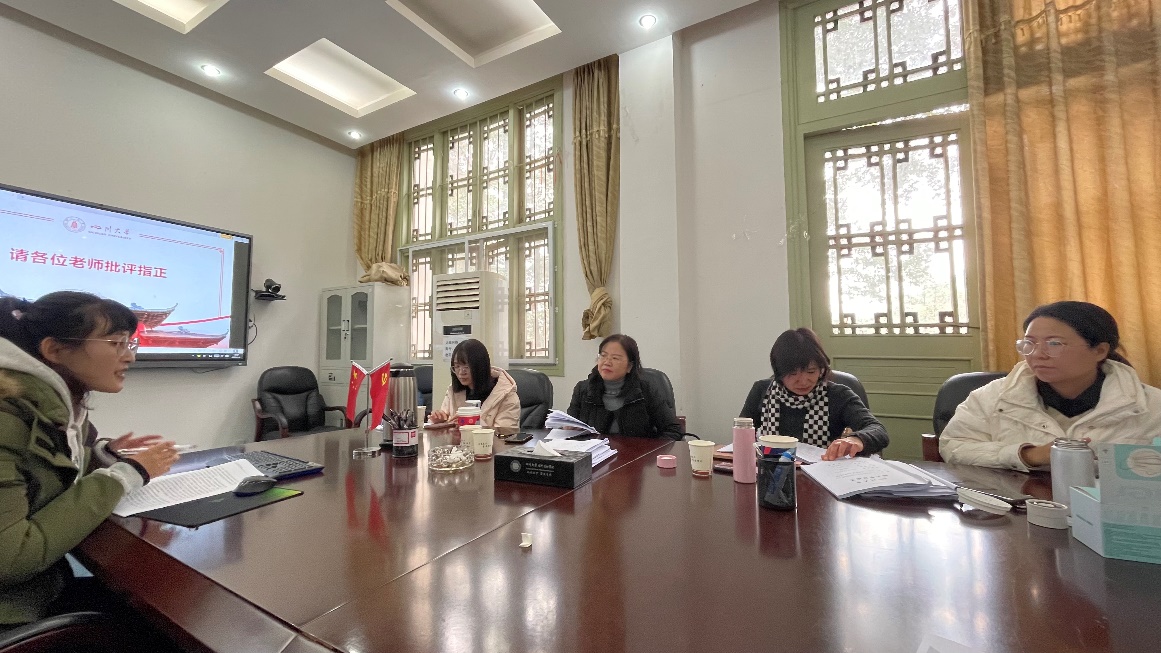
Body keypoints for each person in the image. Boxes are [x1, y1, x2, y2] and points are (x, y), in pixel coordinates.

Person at [0, 291, 179, 629]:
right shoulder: (8, 417)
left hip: (45, 585)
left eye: (130, 344)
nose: (129, 357)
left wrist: (100, 457)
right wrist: (126, 475)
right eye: (116, 343)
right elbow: (11, 559)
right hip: (15, 611)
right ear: (54, 350)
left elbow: (40, 480)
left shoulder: (59, 407)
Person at [939, 301, 1161, 470]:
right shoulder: (992, 397)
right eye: (1029, 343)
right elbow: (953, 446)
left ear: (1099, 351)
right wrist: (1029, 455)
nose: (1037, 354)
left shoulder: (1151, 407)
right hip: (1015, 506)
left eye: (1054, 344)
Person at [739, 328, 888, 460]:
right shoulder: (762, 390)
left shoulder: (838, 395)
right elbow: (742, 432)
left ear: (822, 368)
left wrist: (856, 440)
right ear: (779, 373)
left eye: (811, 371)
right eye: (793, 374)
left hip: (821, 470)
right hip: (770, 468)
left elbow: (877, 429)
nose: (803, 381)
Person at [567, 334, 682, 440]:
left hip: (637, 454)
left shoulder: (645, 391)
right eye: (603, 356)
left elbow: (673, 430)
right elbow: (570, 426)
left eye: (615, 358)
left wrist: (651, 452)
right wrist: (567, 428)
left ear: (629, 366)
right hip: (593, 454)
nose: (607, 362)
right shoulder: (582, 389)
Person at [428, 339, 520, 430]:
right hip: (457, 440)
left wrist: (474, 422)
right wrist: (440, 421)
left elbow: (506, 434)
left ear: (480, 367)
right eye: (457, 366)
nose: (461, 372)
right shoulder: (453, 391)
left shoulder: (506, 395)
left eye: (466, 367)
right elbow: (448, 423)